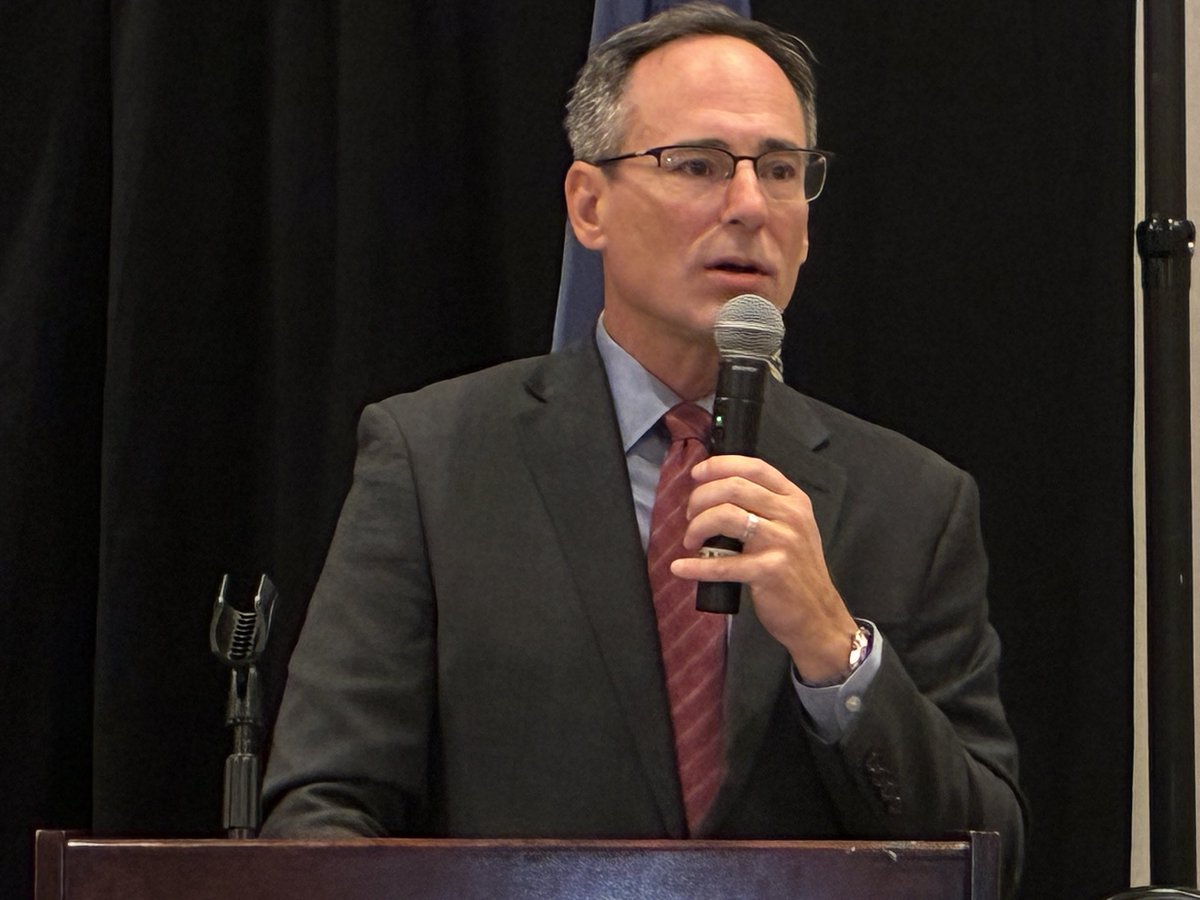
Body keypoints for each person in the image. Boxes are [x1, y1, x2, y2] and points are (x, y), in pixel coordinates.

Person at [261, 3, 1026, 895]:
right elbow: (322, 809)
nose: (748, 205)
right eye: (697, 164)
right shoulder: (434, 463)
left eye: (780, 170)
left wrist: (836, 650)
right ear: (590, 204)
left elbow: (987, 856)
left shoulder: (914, 503)